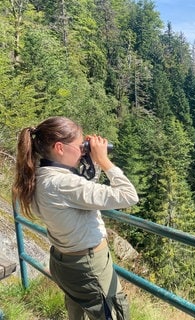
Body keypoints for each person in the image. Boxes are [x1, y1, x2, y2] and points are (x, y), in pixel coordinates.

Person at [12, 116, 139, 320]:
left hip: (64, 263)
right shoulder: (63, 184)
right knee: (113, 314)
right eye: (81, 146)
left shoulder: (39, 176)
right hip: (88, 267)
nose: (83, 150)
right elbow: (129, 196)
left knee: (76, 311)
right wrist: (104, 161)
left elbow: (82, 194)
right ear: (60, 148)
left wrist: (91, 163)